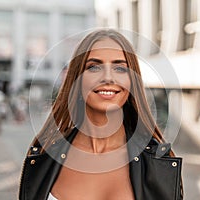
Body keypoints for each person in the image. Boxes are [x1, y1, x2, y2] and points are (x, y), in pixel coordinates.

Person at [19, 29, 183, 200]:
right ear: (77, 78)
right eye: (94, 67)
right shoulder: (43, 158)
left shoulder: (159, 164)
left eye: (120, 68)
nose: (108, 78)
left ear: (131, 80)